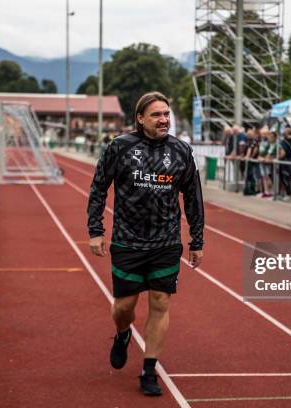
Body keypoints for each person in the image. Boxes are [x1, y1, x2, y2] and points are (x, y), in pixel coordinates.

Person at [87, 91, 204, 396]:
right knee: (124, 307)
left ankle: (148, 369)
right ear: (140, 118)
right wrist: (95, 229)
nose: (163, 119)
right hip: (127, 242)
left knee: (161, 302)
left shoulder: (181, 151)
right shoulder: (120, 148)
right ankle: (123, 333)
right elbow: (99, 187)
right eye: (156, 115)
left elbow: (193, 197)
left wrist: (197, 239)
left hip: (166, 242)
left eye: (166, 114)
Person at [278, 126, 291, 198]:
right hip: (284, 161)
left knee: (286, 177)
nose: (283, 132)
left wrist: (277, 158)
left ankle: (287, 193)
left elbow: (283, 153)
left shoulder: (290, 140)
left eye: (285, 131)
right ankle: (282, 193)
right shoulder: (285, 140)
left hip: (286, 161)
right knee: (282, 177)